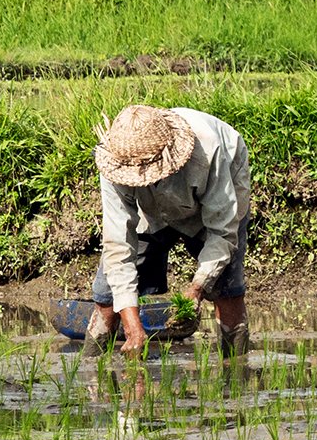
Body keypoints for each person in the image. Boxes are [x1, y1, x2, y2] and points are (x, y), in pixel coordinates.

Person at [84, 103, 252, 361]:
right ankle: (92, 375)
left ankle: (236, 373)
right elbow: (118, 244)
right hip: (148, 213)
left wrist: (197, 289)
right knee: (107, 298)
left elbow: (222, 232)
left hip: (215, 200)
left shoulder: (208, 151)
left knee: (227, 291)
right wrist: (132, 326)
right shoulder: (115, 161)